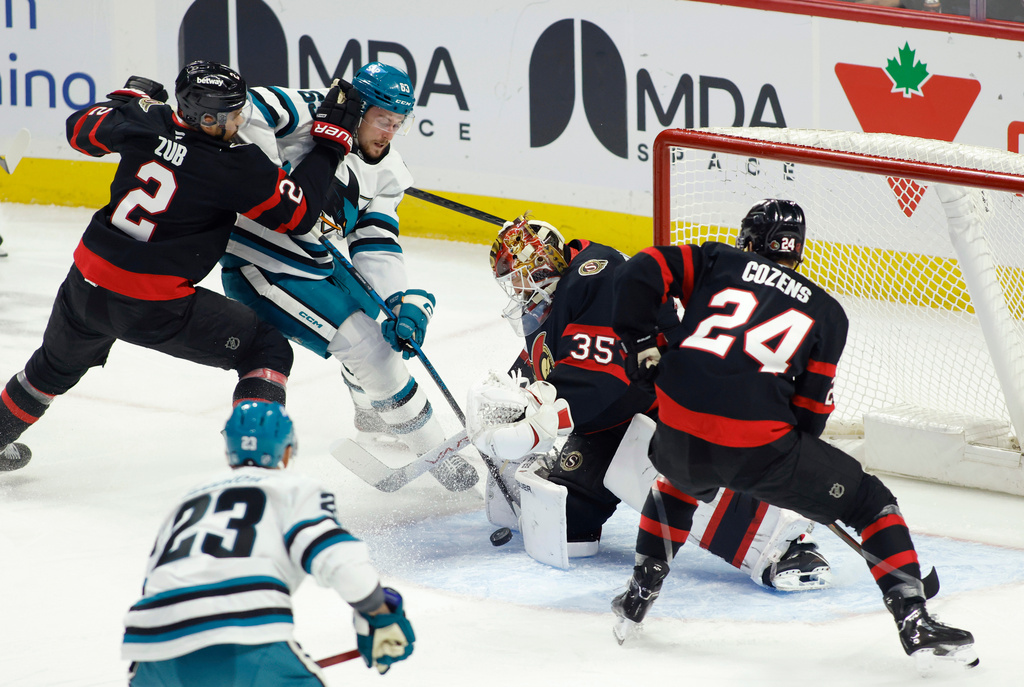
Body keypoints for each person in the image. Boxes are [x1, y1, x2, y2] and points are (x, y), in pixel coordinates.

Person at [609, 199, 977, 667]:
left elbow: (642, 268)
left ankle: (640, 592)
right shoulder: (828, 313)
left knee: (677, 479)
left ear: (750, 239)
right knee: (869, 501)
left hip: (676, 432)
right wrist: (794, 476)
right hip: (759, 450)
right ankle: (913, 615)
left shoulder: (717, 260)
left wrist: (642, 344)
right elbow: (808, 416)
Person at [0, 60, 359, 472]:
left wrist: (126, 102)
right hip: (151, 304)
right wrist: (331, 144)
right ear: (205, 118)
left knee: (49, 370)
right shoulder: (235, 165)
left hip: (86, 282)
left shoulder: (143, 118)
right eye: (232, 113)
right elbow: (299, 214)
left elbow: (78, 130)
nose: (241, 119)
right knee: (266, 348)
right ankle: (255, 463)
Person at [466, 215, 832, 593]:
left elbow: (604, 370)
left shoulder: (598, 274)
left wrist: (543, 418)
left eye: (519, 275)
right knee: (567, 522)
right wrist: (513, 404)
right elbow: (543, 367)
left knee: (648, 467)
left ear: (540, 263)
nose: (516, 287)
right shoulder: (550, 303)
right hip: (610, 421)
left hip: (665, 401)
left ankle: (784, 547)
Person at [218, 62, 477, 492]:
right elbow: (241, 106)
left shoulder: (389, 171)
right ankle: (436, 455)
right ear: (357, 109)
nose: (389, 133)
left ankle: (374, 413)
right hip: (262, 264)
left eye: (398, 123)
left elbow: (375, 241)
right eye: (382, 120)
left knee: (385, 327)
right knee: (372, 353)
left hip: (314, 258)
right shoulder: (307, 109)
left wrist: (398, 303)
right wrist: (265, 164)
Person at [122, 401, 415, 685]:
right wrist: (378, 611)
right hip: (246, 642)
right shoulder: (294, 490)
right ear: (287, 453)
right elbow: (338, 560)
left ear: (229, 453)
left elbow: (154, 580)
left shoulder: (186, 501)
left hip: (151, 651)